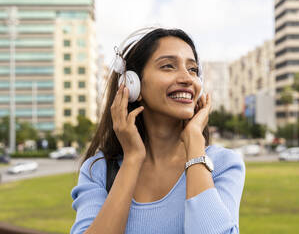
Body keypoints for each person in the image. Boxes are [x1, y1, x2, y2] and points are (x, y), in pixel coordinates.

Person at [70, 27, 246, 234]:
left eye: (193, 70)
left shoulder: (224, 165)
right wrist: (132, 159)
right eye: (168, 66)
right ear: (132, 84)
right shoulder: (97, 171)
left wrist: (195, 145)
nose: (188, 79)